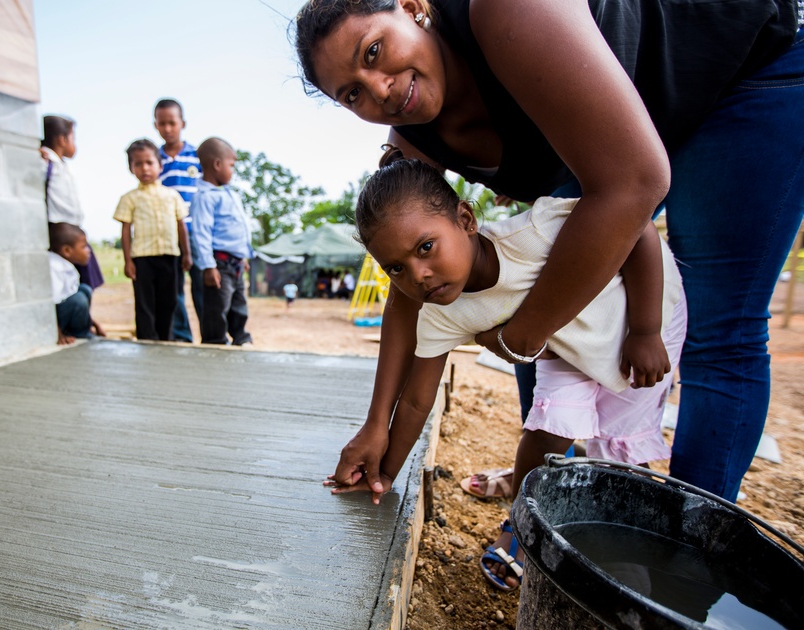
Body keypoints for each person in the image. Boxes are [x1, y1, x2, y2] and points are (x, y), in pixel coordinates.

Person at [296, 0, 804, 503]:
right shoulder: (410, 140)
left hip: (739, 70)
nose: (379, 88)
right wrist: (375, 424)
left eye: (374, 51)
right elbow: (408, 294)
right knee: (531, 298)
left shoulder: (506, 10)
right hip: (631, 140)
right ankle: (547, 490)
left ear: (411, 7)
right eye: (352, 93)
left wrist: (524, 335)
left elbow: (634, 183)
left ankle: (691, 538)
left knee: (719, 327)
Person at [326, 154, 686, 591]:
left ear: (466, 218)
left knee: (620, 451)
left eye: (425, 247)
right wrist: (382, 474)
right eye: (396, 268)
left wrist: (646, 331)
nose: (418, 275)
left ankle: (628, 548)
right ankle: (522, 525)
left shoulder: (537, 231)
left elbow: (640, 231)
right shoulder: (441, 314)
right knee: (547, 432)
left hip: (640, 318)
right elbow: (419, 400)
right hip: (566, 347)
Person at [113, 138, 192, 341]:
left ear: (160, 165)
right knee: (144, 303)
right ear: (131, 168)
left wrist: (187, 254)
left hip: (170, 256)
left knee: (169, 301)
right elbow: (125, 230)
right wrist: (128, 261)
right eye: (138, 164)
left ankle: (166, 341)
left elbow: (180, 225)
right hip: (142, 259)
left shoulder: (172, 196)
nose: (144, 168)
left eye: (149, 162)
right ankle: (147, 341)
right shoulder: (129, 198)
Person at [189, 137, 254, 346]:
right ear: (217, 165)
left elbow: (237, 228)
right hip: (219, 264)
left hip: (235, 262)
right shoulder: (204, 197)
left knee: (238, 304)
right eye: (231, 166)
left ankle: (241, 338)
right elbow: (201, 233)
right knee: (217, 307)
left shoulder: (229, 194)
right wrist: (208, 267)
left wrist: (243, 255)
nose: (233, 171)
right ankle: (215, 341)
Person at [155, 98, 203, 343]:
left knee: (202, 286)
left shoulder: (197, 156)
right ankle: (182, 338)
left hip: (196, 232)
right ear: (156, 125)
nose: (168, 129)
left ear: (182, 123)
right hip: (168, 235)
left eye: (172, 123)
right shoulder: (154, 160)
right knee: (174, 290)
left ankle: (211, 336)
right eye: (162, 124)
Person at [41, 115, 104, 293]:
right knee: (66, 284)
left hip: (74, 231)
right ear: (62, 139)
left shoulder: (61, 166)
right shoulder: (45, 163)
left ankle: (83, 314)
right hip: (61, 233)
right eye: (73, 138)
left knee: (84, 281)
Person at [48, 222, 105, 345]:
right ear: (67, 251)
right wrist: (57, 335)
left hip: (61, 316)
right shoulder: (55, 268)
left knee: (84, 289)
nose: (88, 251)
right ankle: (79, 334)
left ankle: (83, 330)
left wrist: (93, 324)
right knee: (78, 298)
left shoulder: (65, 265)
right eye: (84, 247)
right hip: (53, 323)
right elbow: (50, 306)